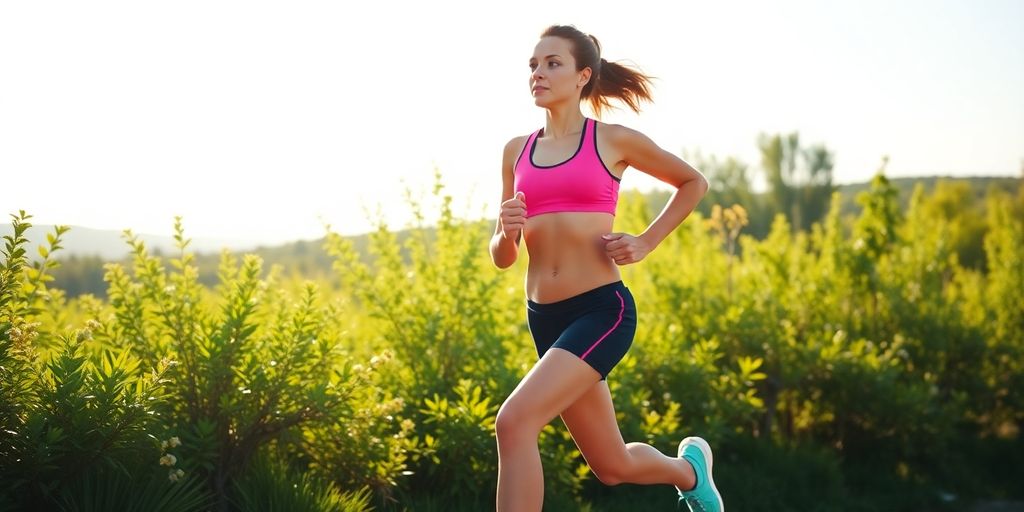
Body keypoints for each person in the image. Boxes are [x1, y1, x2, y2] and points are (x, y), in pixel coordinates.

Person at [488, 24, 724, 512]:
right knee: (611, 466)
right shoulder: (517, 151)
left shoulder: (612, 140)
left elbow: (692, 182)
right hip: (545, 318)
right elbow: (502, 257)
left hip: (601, 311)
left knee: (514, 422)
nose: (538, 73)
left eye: (553, 63)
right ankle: (690, 472)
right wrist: (506, 233)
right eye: (533, 65)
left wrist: (645, 241)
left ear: (582, 76)